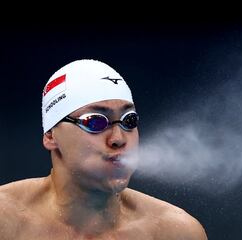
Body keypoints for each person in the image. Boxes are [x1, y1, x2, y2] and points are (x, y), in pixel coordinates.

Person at [0, 59, 208, 239]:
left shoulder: (174, 232)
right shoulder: (7, 222)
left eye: (129, 120)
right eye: (95, 122)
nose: (118, 138)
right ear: (51, 135)